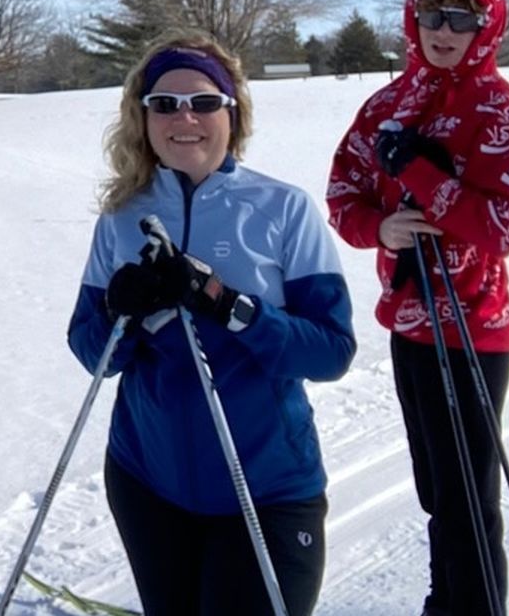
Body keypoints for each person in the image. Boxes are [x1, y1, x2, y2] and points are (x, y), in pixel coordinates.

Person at [68, 31, 357, 616]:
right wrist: (123, 312)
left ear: (232, 113)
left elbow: (330, 351)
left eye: (203, 102)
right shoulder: (124, 214)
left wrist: (227, 304)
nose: (185, 118)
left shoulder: (283, 209)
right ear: (142, 117)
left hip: (267, 487)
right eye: (164, 104)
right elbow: (90, 350)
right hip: (148, 484)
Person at [326, 0, 509, 616]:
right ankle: (444, 601)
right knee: (435, 489)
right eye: (431, 13)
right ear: (412, 16)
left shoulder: (504, 111)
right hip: (408, 321)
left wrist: (421, 174)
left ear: (488, 26)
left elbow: (502, 225)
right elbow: (342, 195)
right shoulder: (388, 105)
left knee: (468, 497)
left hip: (475, 326)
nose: (444, 30)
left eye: (462, 17)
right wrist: (381, 229)